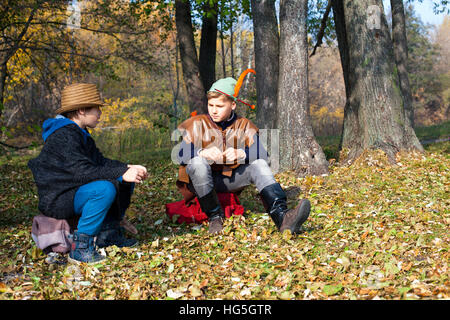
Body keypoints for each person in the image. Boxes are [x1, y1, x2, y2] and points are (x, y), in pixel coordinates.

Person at [175, 74, 311, 234]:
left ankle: (283, 217)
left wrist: (242, 153)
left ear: (233, 105)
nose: (213, 110)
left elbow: (263, 154)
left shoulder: (244, 125)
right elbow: (180, 153)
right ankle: (214, 217)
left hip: (228, 180)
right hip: (200, 182)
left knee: (258, 163)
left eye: (219, 106)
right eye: (211, 105)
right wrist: (201, 152)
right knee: (198, 163)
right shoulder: (198, 123)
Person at [28, 83, 148, 264]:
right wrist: (121, 173)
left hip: (74, 190)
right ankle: (81, 247)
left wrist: (127, 167)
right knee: (104, 188)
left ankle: (108, 234)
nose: (100, 113)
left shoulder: (79, 132)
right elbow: (81, 172)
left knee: (122, 177)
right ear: (82, 110)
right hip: (59, 196)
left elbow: (99, 162)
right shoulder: (64, 135)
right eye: (97, 109)